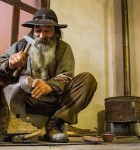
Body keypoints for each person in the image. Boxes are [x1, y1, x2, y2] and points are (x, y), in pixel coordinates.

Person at [0, 8, 97, 143]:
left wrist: (49, 86)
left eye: (47, 30)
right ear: (32, 31)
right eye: (38, 30)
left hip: (55, 100)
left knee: (87, 79)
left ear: (56, 32)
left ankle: (56, 123)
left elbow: (66, 75)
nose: (42, 35)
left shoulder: (64, 48)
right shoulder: (20, 46)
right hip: (25, 100)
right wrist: (9, 64)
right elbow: (1, 63)